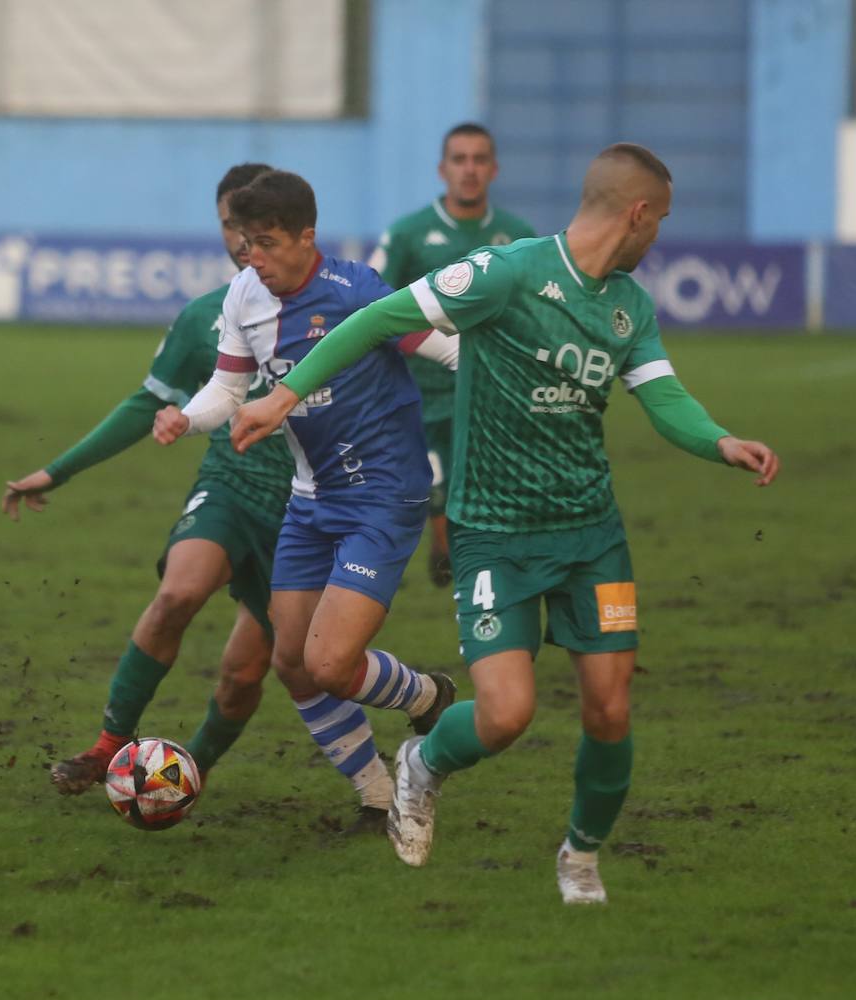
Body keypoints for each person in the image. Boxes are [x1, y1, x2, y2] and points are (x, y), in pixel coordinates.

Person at [231, 144, 781, 903]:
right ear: (638, 213)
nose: (660, 237)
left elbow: (664, 398)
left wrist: (720, 440)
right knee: (506, 713)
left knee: (610, 706)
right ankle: (422, 766)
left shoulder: (630, 306)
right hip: (494, 531)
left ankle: (581, 858)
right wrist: (283, 396)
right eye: (662, 222)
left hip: (591, 535)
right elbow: (374, 320)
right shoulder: (506, 273)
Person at [152, 169, 461, 830]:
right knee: (293, 664)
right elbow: (226, 389)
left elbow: (449, 349)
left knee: (329, 662)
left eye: (265, 242)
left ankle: (428, 693)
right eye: (243, 241)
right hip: (310, 498)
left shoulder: (359, 292)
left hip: (383, 498)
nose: (251, 256)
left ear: (306, 237)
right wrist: (187, 416)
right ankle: (378, 792)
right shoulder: (243, 296)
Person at [2, 162, 297, 796]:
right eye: (231, 225)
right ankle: (107, 746)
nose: (243, 239)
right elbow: (146, 404)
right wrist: (58, 470)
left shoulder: (333, 309)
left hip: (307, 509)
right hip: (232, 484)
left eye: (257, 227)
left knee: (245, 675)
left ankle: (181, 776)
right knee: (176, 597)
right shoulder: (205, 317)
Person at [368, 123, 536, 586]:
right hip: (415, 392)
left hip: (486, 394)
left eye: (479, 160)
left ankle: (471, 565)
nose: (469, 169)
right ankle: (439, 553)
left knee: (481, 495)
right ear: (443, 169)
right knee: (432, 490)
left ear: (494, 169)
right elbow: (370, 300)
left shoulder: (518, 237)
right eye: (459, 159)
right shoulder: (408, 234)